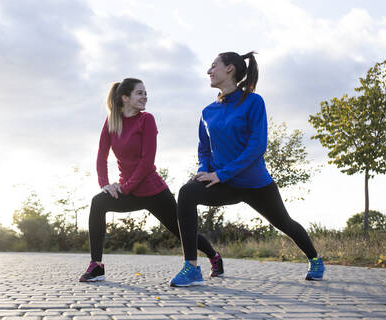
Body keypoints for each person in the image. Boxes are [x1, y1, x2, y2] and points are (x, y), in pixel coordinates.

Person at [169, 52, 325, 287]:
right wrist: (204, 169)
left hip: (255, 184)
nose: (208, 71)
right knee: (187, 192)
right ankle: (191, 267)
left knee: (285, 224)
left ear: (230, 69)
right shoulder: (207, 111)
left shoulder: (254, 102)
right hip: (223, 185)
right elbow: (204, 149)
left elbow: (257, 146)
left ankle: (315, 259)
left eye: (213, 66)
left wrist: (222, 173)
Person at [80, 78, 222, 282]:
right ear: (125, 97)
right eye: (140, 93)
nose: (145, 97)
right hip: (128, 190)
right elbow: (102, 155)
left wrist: (125, 188)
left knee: (180, 230)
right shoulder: (112, 121)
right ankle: (96, 266)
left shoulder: (146, 119)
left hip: (153, 192)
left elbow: (147, 162)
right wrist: (105, 184)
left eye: (146, 93)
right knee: (98, 201)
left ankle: (214, 257)